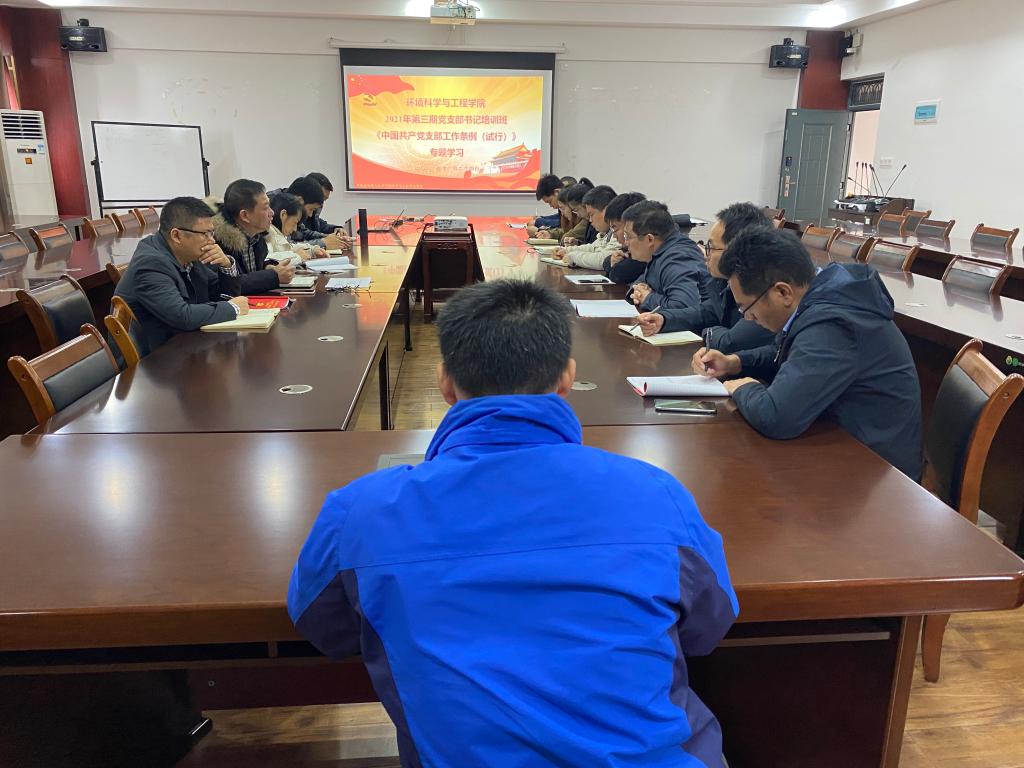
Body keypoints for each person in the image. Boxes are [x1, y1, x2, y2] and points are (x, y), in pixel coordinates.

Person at [289, 279, 737, 767]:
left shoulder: (360, 511)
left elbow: (325, 631)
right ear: (567, 379)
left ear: (445, 383)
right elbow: (706, 630)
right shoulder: (657, 495)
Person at [694, 226, 923, 480]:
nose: (748, 318)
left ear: (783, 292)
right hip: (842, 447)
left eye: (746, 309)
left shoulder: (834, 324)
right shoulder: (823, 295)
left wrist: (743, 388)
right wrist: (735, 363)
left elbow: (777, 417)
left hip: (877, 475)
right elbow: (786, 352)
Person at [113, 196, 249, 353]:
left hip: (184, 345)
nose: (212, 241)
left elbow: (222, 295)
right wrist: (233, 308)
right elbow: (182, 316)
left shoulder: (187, 254)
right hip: (155, 359)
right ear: (176, 236)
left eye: (212, 233)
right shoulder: (151, 264)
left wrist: (226, 265)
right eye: (206, 234)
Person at [636, 202, 776, 352]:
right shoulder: (724, 281)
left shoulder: (765, 291)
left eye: (711, 247)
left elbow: (729, 342)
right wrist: (664, 320)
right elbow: (706, 313)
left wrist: (708, 331)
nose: (705, 255)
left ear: (736, 250)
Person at [207, 179, 295, 294]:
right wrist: (273, 276)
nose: (272, 213)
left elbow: (251, 271)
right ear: (245, 215)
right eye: (266, 208)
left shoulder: (257, 236)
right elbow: (229, 285)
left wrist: (267, 267)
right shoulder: (215, 240)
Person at [622, 200, 711, 312]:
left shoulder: (678, 258)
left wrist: (648, 298)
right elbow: (643, 280)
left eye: (628, 236)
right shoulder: (662, 251)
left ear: (650, 239)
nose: (625, 243)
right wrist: (638, 291)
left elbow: (685, 307)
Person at [550, 185, 619, 269]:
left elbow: (604, 259)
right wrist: (566, 251)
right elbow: (593, 247)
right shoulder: (607, 232)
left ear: (607, 211)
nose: (590, 220)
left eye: (591, 214)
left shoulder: (619, 231)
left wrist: (573, 257)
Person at [284, 176, 349, 252]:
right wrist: (324, 242)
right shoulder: (278, 207)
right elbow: (289, 247)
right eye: (311, 209)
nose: (321, 203)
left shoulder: (295, 207)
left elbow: (304, 232)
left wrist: (334, 237)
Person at [264, 192, 326, 261]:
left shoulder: (277, 234)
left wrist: (312, 250)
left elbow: (290, 248)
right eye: (295, 222)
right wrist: (297, 256)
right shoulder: (267, 234)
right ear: (283, 214)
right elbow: (266, 260)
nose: (295, 229)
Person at [602, 191, 648, 284]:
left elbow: (619, 273)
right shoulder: (628, 249)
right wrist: (613, 260)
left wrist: (615, 267)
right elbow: (606, 262)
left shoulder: (647, 251)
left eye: (615, 228)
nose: (614, 235)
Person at [305, 172, 356, 249]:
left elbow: (318, 224)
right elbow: (295, 243)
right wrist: (325, 241)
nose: (321, 204)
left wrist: (335, 229)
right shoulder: (291, 209)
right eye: (321, 198)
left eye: (324, 200)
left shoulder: (311, 208)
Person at [537, 177, 593, 242]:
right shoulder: (569, 211)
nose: (551, 206)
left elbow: (570, 234)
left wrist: (538, 223)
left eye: (549, 201)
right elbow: (567, 231)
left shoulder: (584, 217)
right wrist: (551, 234)